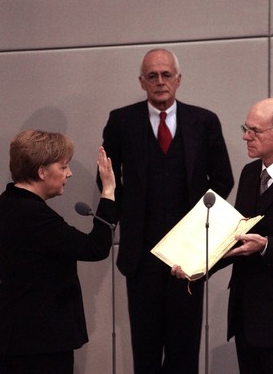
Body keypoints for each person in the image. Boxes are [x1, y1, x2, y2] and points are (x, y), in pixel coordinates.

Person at [98, 48, 234, 373]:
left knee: (184, 351)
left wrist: (199, 231)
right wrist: (117, 220)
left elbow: (223, 179)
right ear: (142, 82)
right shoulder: (122, 121)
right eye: (152, 76)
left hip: (186, 258)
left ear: (178, 79)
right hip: (140, 257)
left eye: (166, 75)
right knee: (144, 353)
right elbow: (107, 179)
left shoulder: (204, 121)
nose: (160, 82)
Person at [175, 98, 273, 373]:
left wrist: (267, 246)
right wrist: (199, 266)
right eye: (245, 128)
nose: (245, 136)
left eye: (254, 131)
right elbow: (237, 236)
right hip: (247, 318)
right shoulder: (250, 174)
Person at [0, 130, 117, 374]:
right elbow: (95, 248)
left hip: (19, 335)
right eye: (63, 166)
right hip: (38, 341)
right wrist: (108, 193)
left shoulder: (7, 202)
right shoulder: (33, 215)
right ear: (42, 171)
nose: (69, 173)